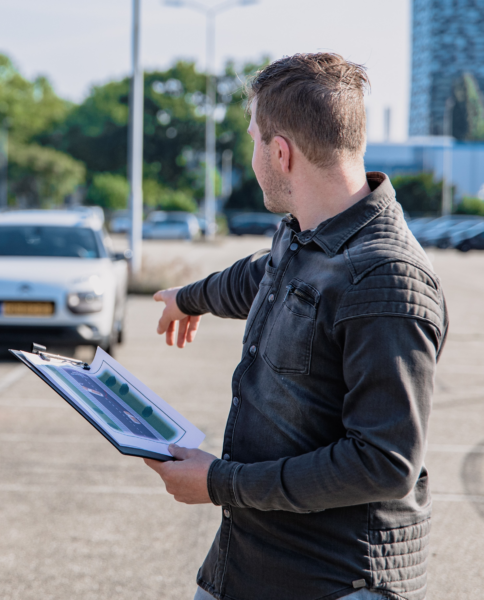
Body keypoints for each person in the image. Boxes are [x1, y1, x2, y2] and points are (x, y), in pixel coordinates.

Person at [146, 53, 448, 600]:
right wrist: (190, 298)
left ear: (279, 152)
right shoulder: (308, 235)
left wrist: (219, 483)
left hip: (334, 581)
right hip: (251, 565)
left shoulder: (386, 280)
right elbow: (261, 274)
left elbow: (383, 463)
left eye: (254, 137)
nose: (252, 151)